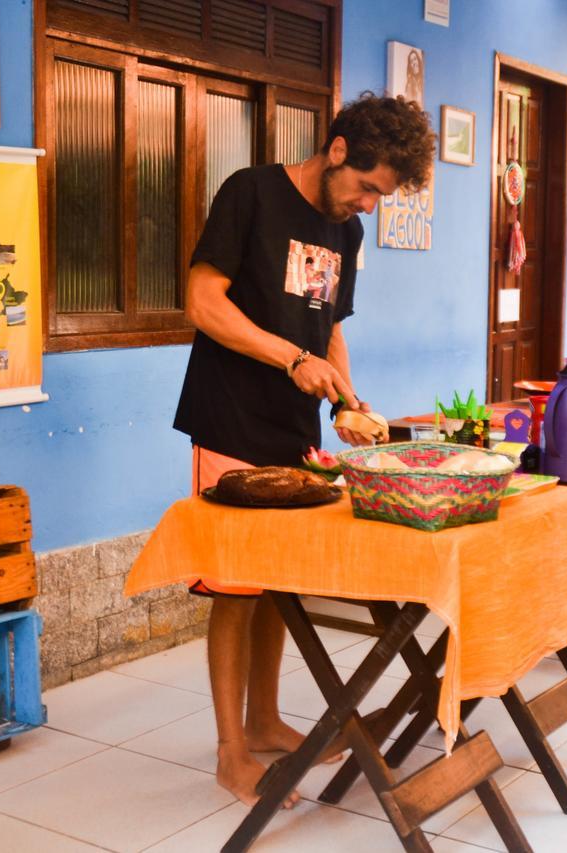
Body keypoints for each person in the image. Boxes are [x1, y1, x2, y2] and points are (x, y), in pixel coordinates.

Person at [174, 92, 435, 807]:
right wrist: (292, 361)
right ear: (340, 148)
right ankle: (231, 751)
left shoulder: (342, 233)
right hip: (228, 417)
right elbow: (203, 302)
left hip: (296, 429)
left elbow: (328, 330)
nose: (368, 205)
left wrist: (349, 401)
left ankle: (263, 721)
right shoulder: (250, 193)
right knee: (234, 589)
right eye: (367, 187)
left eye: (381, 197)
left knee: (276, 584)